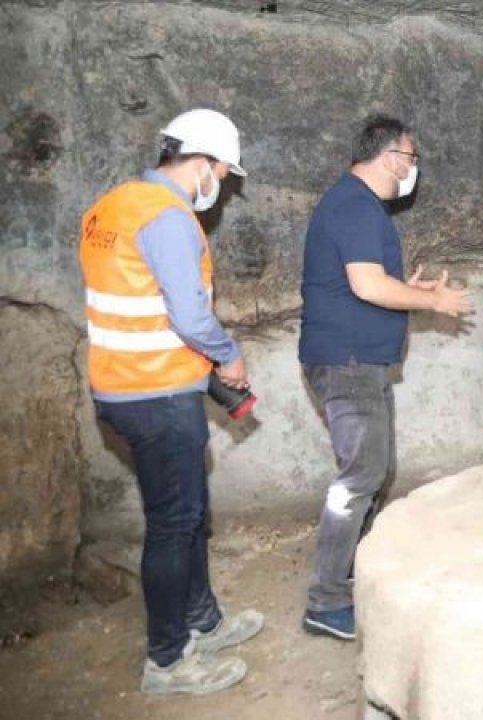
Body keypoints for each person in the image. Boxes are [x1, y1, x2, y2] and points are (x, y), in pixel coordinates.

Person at [80, 108, 264, 696]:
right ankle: (167, 660)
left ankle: (202, 620)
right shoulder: (168, 217)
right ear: (201, 162)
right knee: (173, 523)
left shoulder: (112, 205)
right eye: (222, 173)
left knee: (188, 513)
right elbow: (188, 315)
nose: (222, 184)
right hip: (155, 393)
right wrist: (228, 355)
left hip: (125, 384)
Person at [298, 115, 473, 641]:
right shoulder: (354, 204)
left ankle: (353, 575)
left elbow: (366, 282)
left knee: (373, 470)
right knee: (358, 480)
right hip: (347, 362)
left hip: (358, 362)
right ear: (390, 156)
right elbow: (367, 286)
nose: (412, 169)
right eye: (411, 158)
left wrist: (404, 286)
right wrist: (431, 300)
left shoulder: (356, 206)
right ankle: (326, 602)